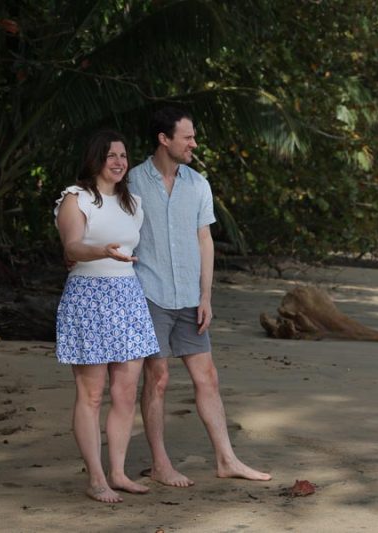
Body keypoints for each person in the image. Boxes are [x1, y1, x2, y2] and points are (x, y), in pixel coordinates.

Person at [128, 107, 271, 487]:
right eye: (187, 137)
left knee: (207, 377)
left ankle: (227, 459)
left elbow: (204, 240)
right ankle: (160, 463)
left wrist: (206, 295)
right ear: (164, 139)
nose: (193, 143)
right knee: (157, 379)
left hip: (191, 296)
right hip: (149, 294)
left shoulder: (198, 184)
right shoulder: (133, 182)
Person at [54, 130, 160, 503]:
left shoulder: (134, 203)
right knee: (92, 394)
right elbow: (72, 247)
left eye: (124, 156)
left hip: (128, 297)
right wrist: (101, 250)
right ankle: (96, 477)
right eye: (111, 155)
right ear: (96, 159)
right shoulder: (76, 198)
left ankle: (118, 472)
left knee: (126, 392)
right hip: (89, 297)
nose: (119, 162)